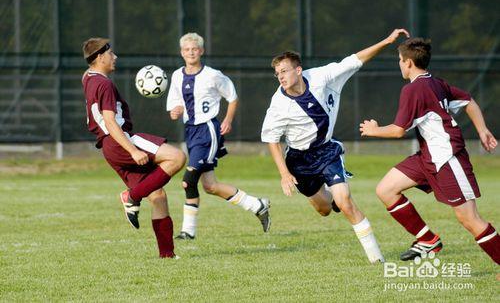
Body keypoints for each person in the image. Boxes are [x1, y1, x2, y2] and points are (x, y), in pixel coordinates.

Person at [261, 29, 409, 263]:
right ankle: (329, 194)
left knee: (345, 201)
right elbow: (271, 139)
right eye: (277, 73)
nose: (280, 76)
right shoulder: (278, 103)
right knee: (325, 209)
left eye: (284, 70)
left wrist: (388, 41)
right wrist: (284, 174)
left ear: (298, 70)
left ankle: (376, 259)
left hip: (327, 152)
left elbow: (356, 59)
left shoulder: (322, 76)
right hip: (299, 161)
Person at [359, 37, 499, 264]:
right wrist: (482, 130)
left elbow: (397, 131)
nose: (399, 64)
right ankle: (427, 240)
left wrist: (374, 130)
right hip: (428, 157)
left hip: (447, 158)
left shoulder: (414, 89)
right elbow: (469, 101)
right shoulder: (435, 83)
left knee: (469, 219)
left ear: (408, 63)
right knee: (386, 189)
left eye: (400, 60)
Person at [81, 38, 186, 258]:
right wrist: (133, 150)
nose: (115, 57)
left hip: (109, 148)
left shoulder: (88, 78)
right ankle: (131, 197)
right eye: (111, 53)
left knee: (157, 194)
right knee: (177, 157)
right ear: (100, 57)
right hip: (120, 140)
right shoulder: (104, 84)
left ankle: (166, 255)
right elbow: (110, 121)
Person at [166, 32, 271, 240]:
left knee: (188, 180)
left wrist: (228, 120)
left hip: (208, 131)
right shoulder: (177, 75)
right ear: (181, 52)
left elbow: (232, 97)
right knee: (210, 186)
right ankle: (257, 205)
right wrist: (175, 111)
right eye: (187, 49)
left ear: (201, 51)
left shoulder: (213, 75)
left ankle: (188, 231)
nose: (191, 53)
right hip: (191, 132)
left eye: (194, 49)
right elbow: (174, 105)